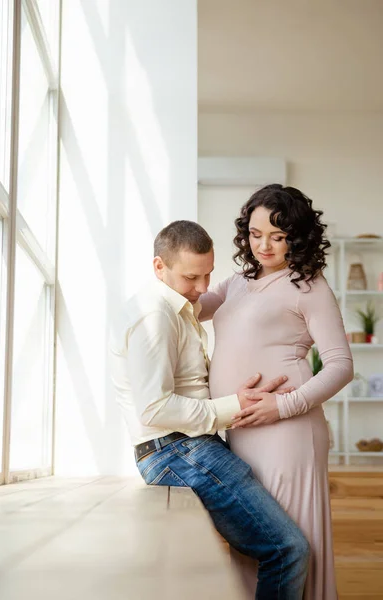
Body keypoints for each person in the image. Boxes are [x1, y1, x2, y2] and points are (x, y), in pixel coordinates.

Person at [110, 220, 310, 600]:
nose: (202, 288)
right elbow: (154, 408)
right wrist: (236, 405)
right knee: (288, 550)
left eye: (208, 274)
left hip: (183, 449)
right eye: (191, 277)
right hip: (178, 450)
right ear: (159, 267)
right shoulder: (155, 316)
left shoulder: (174, 306)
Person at [199, 184, 354, 600]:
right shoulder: (237, 281)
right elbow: (190, 305)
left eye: (277, 235)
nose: (263, 245)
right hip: (242, 430)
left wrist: (282, 407)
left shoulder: (309, 285)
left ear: (296, 236)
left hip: (288, 432)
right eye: (255, 233)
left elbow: (341, 366)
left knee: (287, 543)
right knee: (254, 542)